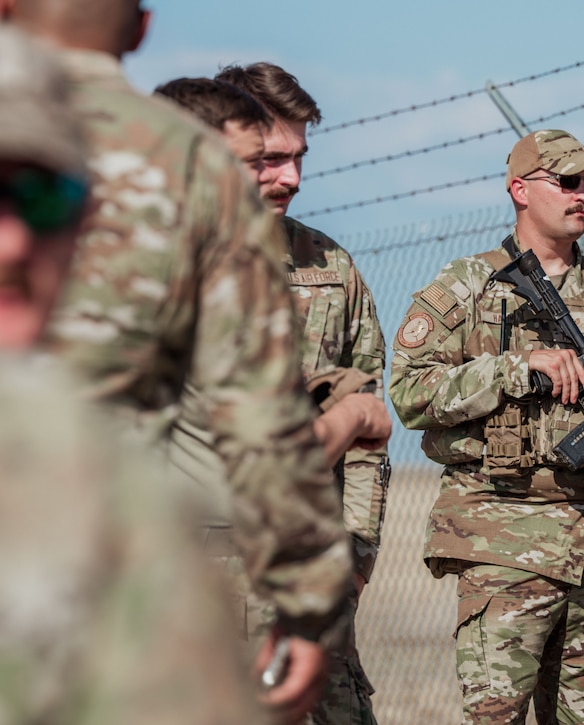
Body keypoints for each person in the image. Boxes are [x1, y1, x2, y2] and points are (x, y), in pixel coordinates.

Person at [1, 2, 352, 721]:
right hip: (91, 562)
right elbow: (257, 407)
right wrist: (307, 599)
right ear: (140, 29)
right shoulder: (191, 163)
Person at [389, 129, 584, 724]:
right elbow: (409, 393)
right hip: (508, 544)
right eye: (567, 181)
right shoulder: (468, 286)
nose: (582, 193)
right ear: (520, 189)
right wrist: (517, 368)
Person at [213, 61, 392, 725]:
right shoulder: (159, 270)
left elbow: (371, 434)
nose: (291, 178)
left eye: (298, 158)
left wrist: (356, 558)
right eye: (270, 159)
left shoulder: (330, 270)